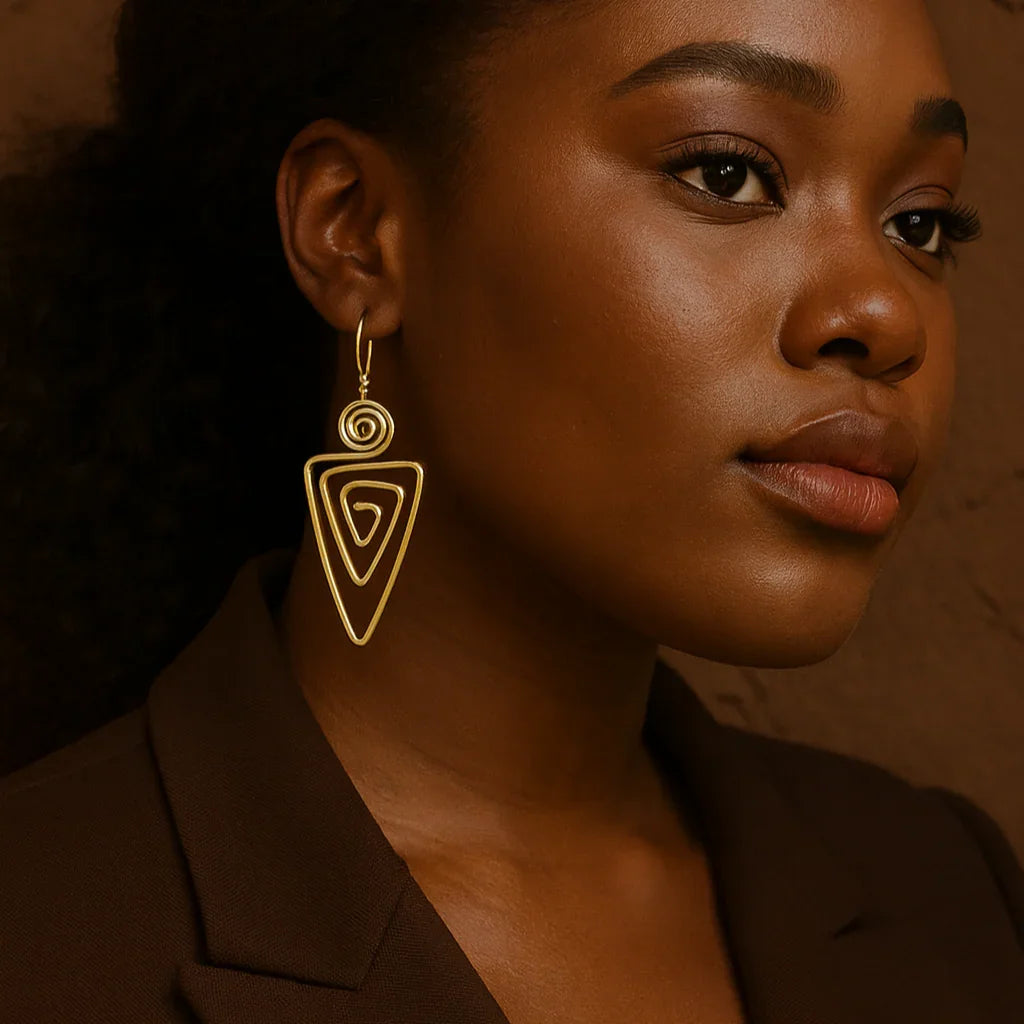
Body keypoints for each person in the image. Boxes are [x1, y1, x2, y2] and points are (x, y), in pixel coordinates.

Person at [1, 0, 1022, 1020]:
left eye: (919, 223)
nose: (885, 314)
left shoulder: (956, 897)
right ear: (356, 233)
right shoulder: (43, 941)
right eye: (726, 173)